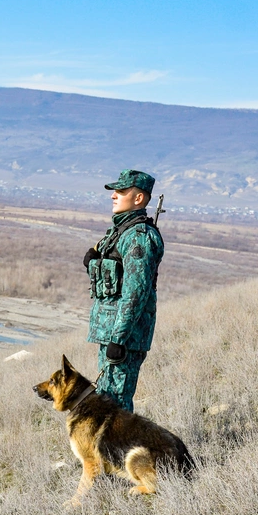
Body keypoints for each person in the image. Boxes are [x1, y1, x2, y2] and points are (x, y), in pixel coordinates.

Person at [83, 169, 164, 412]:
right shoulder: (121, 232)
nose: (113, 196)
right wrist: (92, 262)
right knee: (107, 401)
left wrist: (118, 339)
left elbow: (135, 294)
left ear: (138, 198)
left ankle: (122, 450)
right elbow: (112, 277)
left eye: (121, 191)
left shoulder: (139, 237)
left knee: (115, 407)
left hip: (124, 339)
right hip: (111, 334)